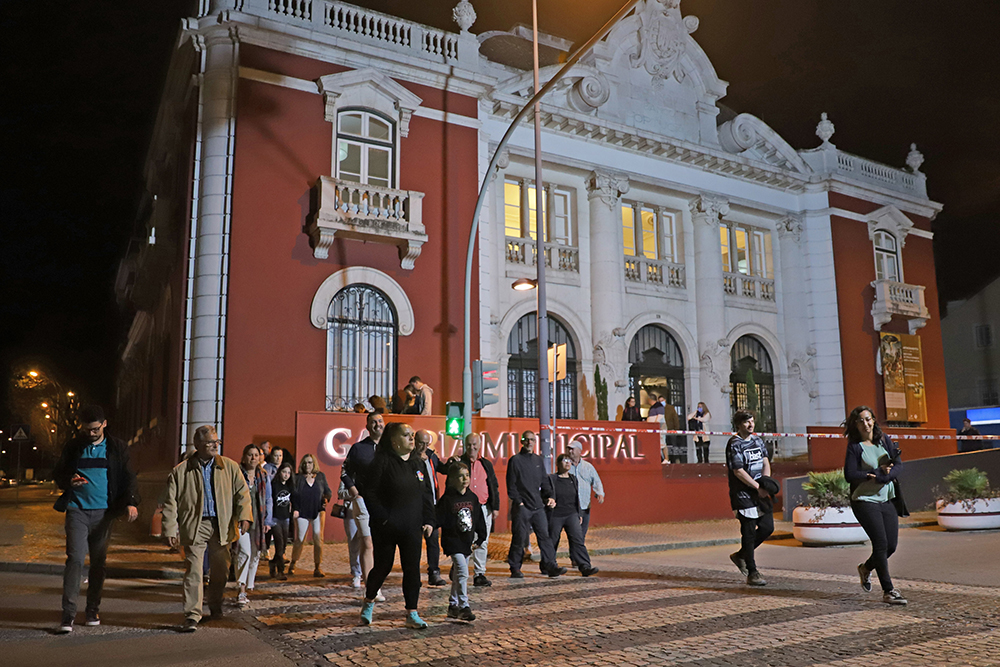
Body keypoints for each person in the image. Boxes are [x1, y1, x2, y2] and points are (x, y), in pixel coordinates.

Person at [52, 405, 139, 634]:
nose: (91, 433)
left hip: (103, 514)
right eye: (87, 430)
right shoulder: (74, 446)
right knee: (75, 559)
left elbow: (128, 476)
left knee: (98, 562)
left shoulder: (117, 447)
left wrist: (131, 502)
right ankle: (68, 614)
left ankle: (92, 610)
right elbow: (58, 472)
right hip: (77, 511)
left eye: (95, 429)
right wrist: (69, 480)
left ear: (104, 424)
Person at [162, 425, 252, 632]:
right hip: (196, 525)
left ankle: (215, 605)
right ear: (198, 445)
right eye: (210, 442)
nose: (215, 445)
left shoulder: (229, 467)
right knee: (194, 570)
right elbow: (170, 502)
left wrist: (245, 515)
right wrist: (170, 529)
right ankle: (192, 615)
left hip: (222, 524)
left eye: (216, 441)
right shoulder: (181, 471)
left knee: (221, 570)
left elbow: (242, 493)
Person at [359, 422, 435, 628]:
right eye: (406, 435)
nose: (411, 438)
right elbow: (370, 492)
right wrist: (383, 517)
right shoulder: (382, 461)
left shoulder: (418, 463)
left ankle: (412, 613)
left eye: (412, 434)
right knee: (383, 566)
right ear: (394, 441)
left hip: (412, 526)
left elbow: (427, 493)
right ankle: (369, 600)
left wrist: (429, 520)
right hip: (386, 527)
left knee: (412, 569)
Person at [843, 406, 909, 605]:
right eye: (861, 421)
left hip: (886, 499)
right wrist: (873, 474)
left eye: (868, 419)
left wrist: (885, 476)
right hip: (865, 500)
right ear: (855, 425)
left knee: (891, 546)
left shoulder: (884, 440)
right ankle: (888, 591)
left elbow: (898, 465)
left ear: (873, 420)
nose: (866, 424)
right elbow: (849, 474)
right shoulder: (855, 447)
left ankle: (865, 568)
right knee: (880, 544)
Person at [506, 431, 565, 578]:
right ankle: (515, 568)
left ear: (535, 441)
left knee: (545, 537)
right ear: (522, 441)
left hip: (538, 506)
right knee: (519, 538)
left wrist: (550, 496)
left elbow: (544, 481)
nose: (529, 442)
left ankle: (550, 566)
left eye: (532, 440)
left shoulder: (538, 460)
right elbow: (511, 485)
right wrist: (519, 502)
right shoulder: (515, 460)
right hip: (523, 507)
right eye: (527, 440)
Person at [726, 410, 774, 587]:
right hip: (743, 494)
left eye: (752, 421)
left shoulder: (757, 440)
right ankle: (752, 572)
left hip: (760, 492)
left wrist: (765, 483)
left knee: (767, 527)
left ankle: (740, 555)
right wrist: (756, 487)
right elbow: (738, 471)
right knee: (748, 531)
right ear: (739, 425)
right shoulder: (734, 443)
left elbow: (765, 461)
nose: (750, 424)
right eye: (746, 422)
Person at [437, 461, 487, 621]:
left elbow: (478, 519)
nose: (465, 479)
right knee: (463, 572)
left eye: (467, 475)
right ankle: (464, 606)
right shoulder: (447, 499)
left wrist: (482, 536)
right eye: (460, 476)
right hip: (453, 542)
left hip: (466, 542)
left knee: (459, 574)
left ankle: (453, 605)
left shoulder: (472, 497)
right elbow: (438, 517)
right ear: (452, 479)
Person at [341, 411, 383, 592]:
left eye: (380, 421)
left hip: (383, 503)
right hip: (363, 501)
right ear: (367, 427)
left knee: (380, 544)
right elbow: (345, 471)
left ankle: (375, 580)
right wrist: (354, 491)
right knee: (367, 542)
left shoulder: (390, 448)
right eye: (373, 422)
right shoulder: (358, 448)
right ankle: (372, 588)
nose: (378, 424)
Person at [547, 454, 600, 577]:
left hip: (572, 514)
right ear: (558, 463)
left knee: (578, 540)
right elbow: (546, 493)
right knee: (552, 540)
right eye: (564, 460)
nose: (567, 463)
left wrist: (579, 513)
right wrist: (549, 500)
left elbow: (576, 497)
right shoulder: (552, 478)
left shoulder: (573, 479)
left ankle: (585, 566)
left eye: (569, 461)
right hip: (556, 515)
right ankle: (549, 566)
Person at [234, 444, 272, 606]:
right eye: (250, 455)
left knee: (255, 554)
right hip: (241, 519)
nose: (253, 458)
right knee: (244, 553)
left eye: (256, 455)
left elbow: (268, 499)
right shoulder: (237, 474)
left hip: (258, 518)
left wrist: (268, 521)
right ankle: (241, 589)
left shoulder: (263, 476)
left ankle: (249, 585)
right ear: (244, 457)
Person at [460, 432, 499, 587]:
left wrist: (495, 507)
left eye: (474, 444)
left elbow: (493, 485)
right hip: (465, 509)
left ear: (480, 445)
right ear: (465, 445)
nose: (472, 447)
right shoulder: (460, 463)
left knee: (482, 541)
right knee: (465, 540)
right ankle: (461, 570)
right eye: (469, 444)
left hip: (484, 508)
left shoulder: (486, 464)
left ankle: (479, 574)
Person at [414, 430, 448, 586]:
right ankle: (414, 574)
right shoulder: (411, 458)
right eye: (421, 443)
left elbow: (442, 468)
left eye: (427, 443)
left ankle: (434, 572)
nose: (424, 447)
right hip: (416, 506)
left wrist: (452, 462)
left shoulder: (431, 456)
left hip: (432, 505)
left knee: (433, 540)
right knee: (415, 542)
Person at [290, 453, 332, 577]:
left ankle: (317, 567)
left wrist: (326, 499)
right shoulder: (297, 478)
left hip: (317, 511)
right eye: (305, 463)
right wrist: (295, 509)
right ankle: (293, 562)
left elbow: (327, 491)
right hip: (302, 512)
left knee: (318, 538)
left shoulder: (320, 477)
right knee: (300, 539)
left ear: (314, 464)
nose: (307, 465)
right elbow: (294, 495)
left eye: (309, 462)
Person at [566, 441, 604, 540]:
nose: (570, 451)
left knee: (582, 534)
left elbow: (596, 481)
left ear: (579, 451)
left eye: (572, 449)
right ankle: (576, 549)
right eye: (569, 449)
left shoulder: (588, 467)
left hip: (584, 506)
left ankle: (578, 549)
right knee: (573, 534)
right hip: (571, 507)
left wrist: (600, 493)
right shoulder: (566, 466)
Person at [270, 462, 295, 580]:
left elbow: (294, 499)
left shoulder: (290, 486)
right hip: (275, 518)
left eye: (288, 473)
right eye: (284, 472)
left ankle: (273, 563)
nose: (286, 475)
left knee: (283, 545)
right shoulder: (274, 485)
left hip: (286, 518)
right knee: (279, 544)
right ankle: (281, 571)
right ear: (279, 472)